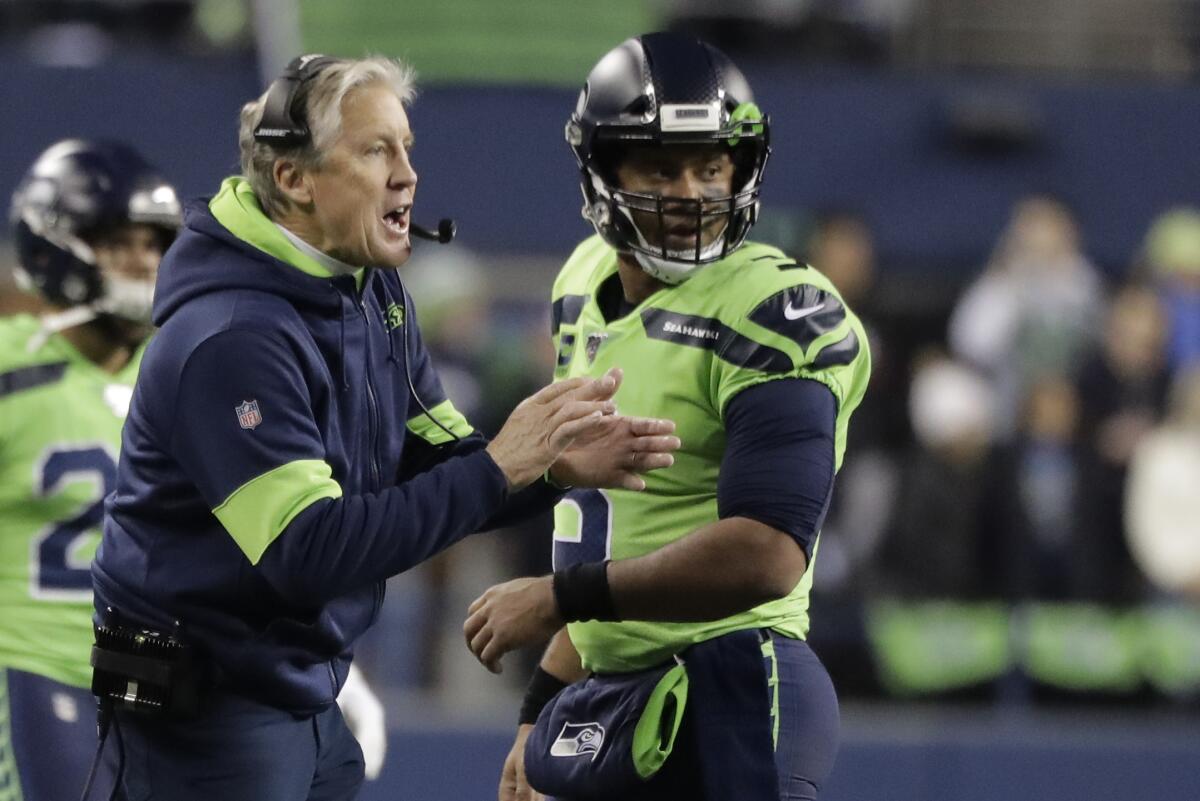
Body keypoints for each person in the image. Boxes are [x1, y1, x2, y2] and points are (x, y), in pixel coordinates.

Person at [89, 55, 679, 801]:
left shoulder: (370, 288)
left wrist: (551, 466)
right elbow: (308, 551)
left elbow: (441, 462)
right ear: (293, 180)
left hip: (295, 691)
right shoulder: (230, 337)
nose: (408, 175)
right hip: (200, 717)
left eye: (406, 147)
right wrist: (504, 464)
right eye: (376, 150)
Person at [463, 33, 871, 801]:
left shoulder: (775, 309)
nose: (690, 191)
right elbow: (609, 522)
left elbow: (767, 551)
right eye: (660, 166)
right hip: (607, 698)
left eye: (710, 165)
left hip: (736, 681)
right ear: (602, 170)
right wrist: (539, 708)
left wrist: (558, 598)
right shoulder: (582, 282)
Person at [0, 139, 179, 801]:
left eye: (151, 244)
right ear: (56, 244)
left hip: (145, 672)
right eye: (117, 242)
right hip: (29, 660)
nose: (142, 262)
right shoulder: (11, 367)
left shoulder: (178, 378)